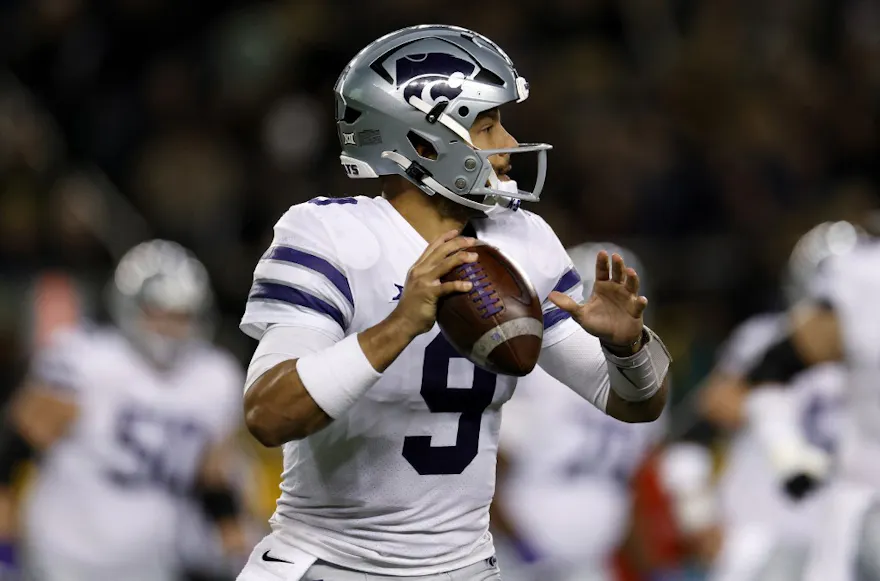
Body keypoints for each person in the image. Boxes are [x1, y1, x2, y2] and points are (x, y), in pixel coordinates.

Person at [237, 24, 671, 581]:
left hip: (464, 567)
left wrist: (626, 346)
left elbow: (634, 403)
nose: (508, 144)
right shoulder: (330, 234)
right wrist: (398, 325)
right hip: (329, 562)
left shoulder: (524, 239)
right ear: (422, 143)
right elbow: (268, 414)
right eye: (486, 126)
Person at [0, 240, 248, 581]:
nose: (169, 326)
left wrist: (234, 544)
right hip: (65, 560)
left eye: (181, 314)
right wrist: (4, 546)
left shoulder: (213, 378)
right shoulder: (86, 361)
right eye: (158, 312)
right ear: (130, 306)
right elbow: (11, 456)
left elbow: (213, 479)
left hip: (155, 565)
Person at [492, 243, 667, 581]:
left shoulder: (643, 382)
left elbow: (623, 490)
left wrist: (651, 571)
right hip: (517, 562)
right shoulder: (536, 374)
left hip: (590, 565)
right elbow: (484, 478)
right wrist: (521, 548)